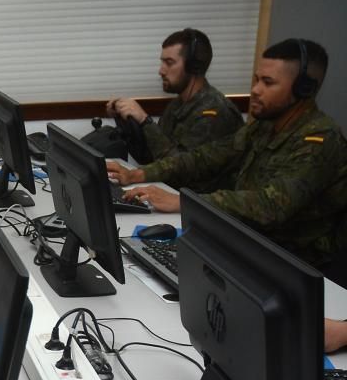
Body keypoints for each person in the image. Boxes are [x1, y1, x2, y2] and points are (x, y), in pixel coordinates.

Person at [108, 39, 347, 272]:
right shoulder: (265, 126)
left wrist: (186, 202)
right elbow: (207, 157)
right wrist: (139, 173)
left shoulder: (321, 139)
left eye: (268, 82)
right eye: (256, 79)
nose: (255, 90)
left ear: (302, 89)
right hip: (248, 244)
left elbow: (272, 206)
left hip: (295, 265)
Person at [107, 28, 243, 172]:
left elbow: (180, 169)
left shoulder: (214, 112)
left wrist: (145, 120)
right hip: (171, 189)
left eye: (169, 62)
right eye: (162, 62)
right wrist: (125, 121)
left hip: (198, 193)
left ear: (192, 66)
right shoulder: (177, 105)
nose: (161, 71)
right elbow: (152, 158)